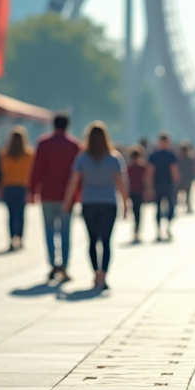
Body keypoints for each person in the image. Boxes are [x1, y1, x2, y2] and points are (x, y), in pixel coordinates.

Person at [62, 121, 129, 290]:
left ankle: (95, 274)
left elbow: (73, 181)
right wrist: (126, 203)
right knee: (106, 241)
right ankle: (103, 276)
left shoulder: (82, 158)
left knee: (92, 240)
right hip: (109, 203)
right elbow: (121, 183)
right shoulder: (114, 158)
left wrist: (67, 201)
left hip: (89, 203)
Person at [29, 113, 80, 281]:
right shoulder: (74, 145)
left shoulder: (44, 143)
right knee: (65, 231)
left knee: (49, 230)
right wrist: (77, 195)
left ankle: (52, 264)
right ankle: (64, 266)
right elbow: (78, 174)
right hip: (67, 196)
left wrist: (32, 191)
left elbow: (37, 169)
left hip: (48, 194)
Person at [1, 126, 34, 251]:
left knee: (10, 214)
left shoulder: (5, 154)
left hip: (8, 186)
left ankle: (11, 238)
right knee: (20, 213)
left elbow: (2, 172)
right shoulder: (29, 154)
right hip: (22, 187)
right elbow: (32, 173)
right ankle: (20, 238)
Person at [146, 133, 180, 242]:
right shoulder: (161, 155)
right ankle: (160, 230)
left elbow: (173, 171)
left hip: (166, 184)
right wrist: (150, 187)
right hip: (160, 185)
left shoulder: (160, 155)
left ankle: (165, 228)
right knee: (160, 208)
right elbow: (151, 172)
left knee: (167, 207)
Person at [126, 145, 149, 244]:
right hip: (138, 191)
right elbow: (146, 180)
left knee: (135, 212)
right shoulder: (142, 167)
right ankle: (137, 232)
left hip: (133, 191)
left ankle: (136, 232)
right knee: (138, 212)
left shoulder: (129, 167)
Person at [177, 141, 195, 214]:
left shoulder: (179, 159)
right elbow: (194, 169)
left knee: (179, 193)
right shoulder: (190, 159)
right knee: (188, 194)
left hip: (181, 178)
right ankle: (187, 206)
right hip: (188, 179)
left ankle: (180, 205)